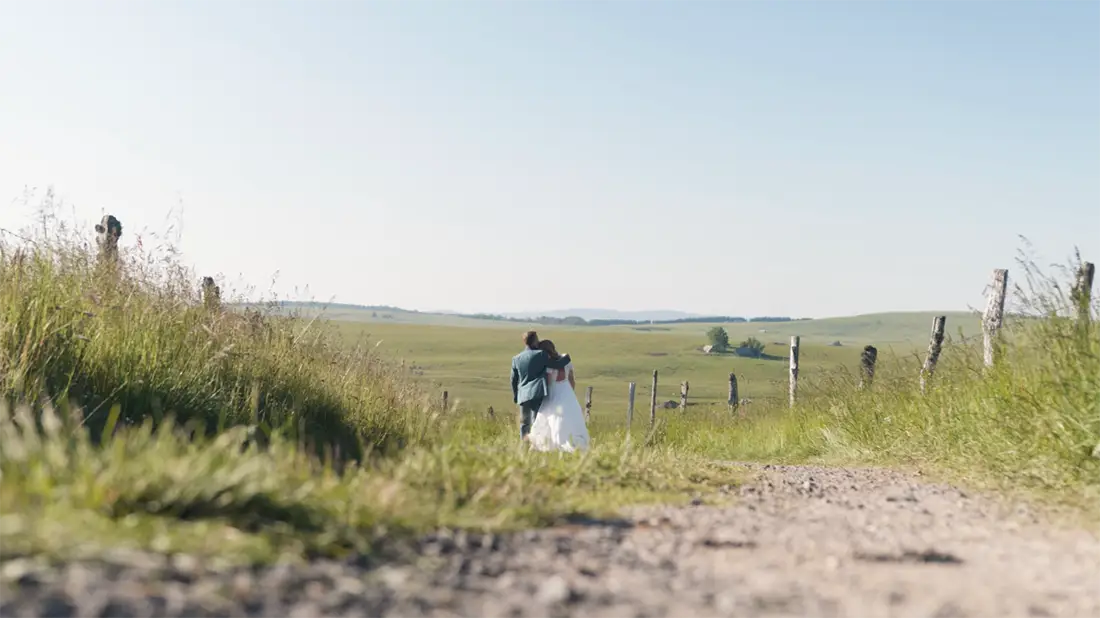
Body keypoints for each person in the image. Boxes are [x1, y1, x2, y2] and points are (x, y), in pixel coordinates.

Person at [527, 339, 590, 452]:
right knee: (570, 417)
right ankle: (569, 441)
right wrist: (570, 393)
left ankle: (553, 442)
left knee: (549, 416)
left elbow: (548, 381)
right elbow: (571, 379)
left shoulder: (546, 364)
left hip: (554, 392)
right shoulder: (565, 359)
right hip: (567, 391)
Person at [511, 330, 571, 443]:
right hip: (537, 392)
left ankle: (523, 446)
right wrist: (567, 358)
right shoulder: (541, 354)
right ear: (534, 341)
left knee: (524, 423)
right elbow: (556, 365)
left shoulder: (516, 358)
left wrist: (516, 395)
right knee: (536, 421)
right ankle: (536, 446)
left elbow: (513, 380)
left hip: (523, 395)